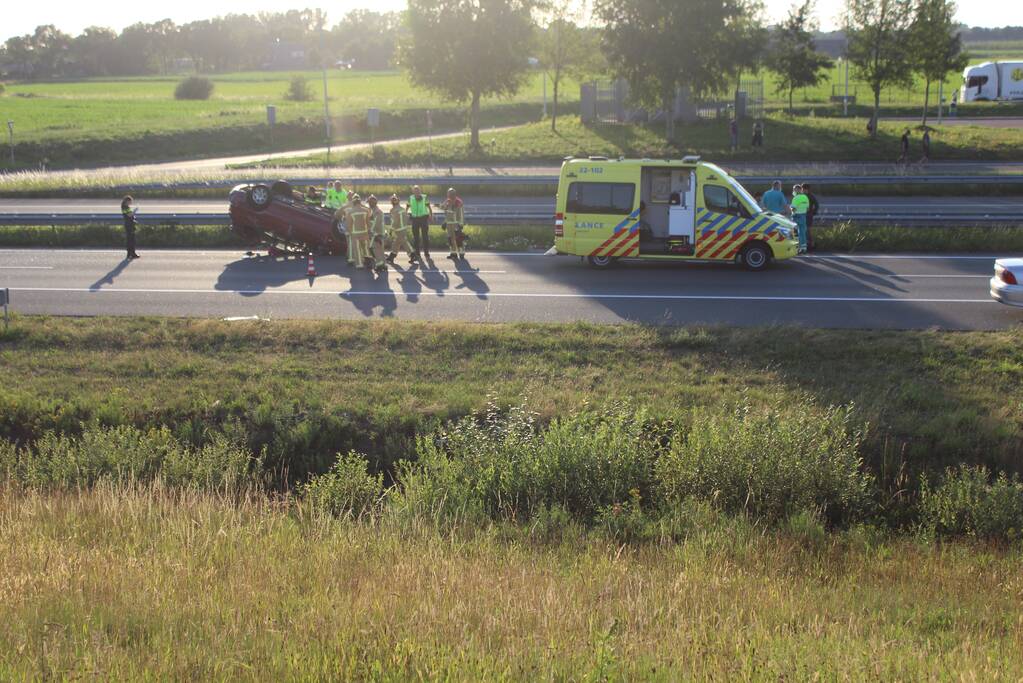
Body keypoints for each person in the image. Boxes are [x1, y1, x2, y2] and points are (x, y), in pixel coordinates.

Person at [387, 194, 417, 265]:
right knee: (396, 243)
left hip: (399, 230)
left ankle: (412, 255)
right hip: (403, 229)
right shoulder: (402, 209)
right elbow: (407, 218)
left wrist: (391, 230)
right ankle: (392, 256)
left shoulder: (393, 210)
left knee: (404, 242)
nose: (393, 201)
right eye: (393, 199)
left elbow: (394, 221)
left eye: (393, 200)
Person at [440, 187, 465, 260]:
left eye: (451, 194)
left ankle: (461, 253)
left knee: (458, 239)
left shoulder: (458, 202)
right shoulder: (447, 201)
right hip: (449, 223)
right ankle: (453, 253)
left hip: (456, 223)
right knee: (450, 239)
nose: (450, 195)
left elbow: (460, 214)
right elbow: (444, 209)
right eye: (449, 194)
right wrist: (445, 222)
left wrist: (461, 224)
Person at [347, 194, 371, 268]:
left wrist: (350, 232)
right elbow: (368, 222)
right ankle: (368, 260)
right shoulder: (366, 210)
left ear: (353, 203)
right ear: (360, 202)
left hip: (355, 233)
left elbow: (350, 224)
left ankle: (359, 264)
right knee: (366, 247)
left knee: (357, 249)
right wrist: (368, 231)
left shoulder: (351, 212)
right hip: (364, 232)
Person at [408, 185, 432, 259]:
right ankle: (417, 253)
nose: (417, 192)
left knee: (425, 236)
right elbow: (407, 206)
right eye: (415, 191)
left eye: (418, 190)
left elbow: (429, 207)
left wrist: (431, 215)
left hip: (423, 218)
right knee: (416, 237)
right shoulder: (411, 198)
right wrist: (406, 214)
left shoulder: (424, 197)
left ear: (420, 191)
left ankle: (426, 252)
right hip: (415, 219)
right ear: (413, 192)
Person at [367, 195, 388, 272]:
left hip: (377, 234)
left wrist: (370, 231)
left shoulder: (377, 212)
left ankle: (379, 265)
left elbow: (376, 223)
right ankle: (384, 265)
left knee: (375, 249)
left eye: (369, 202)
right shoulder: (374, 211)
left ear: (373, 203)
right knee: (380, 250)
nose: (368, 204)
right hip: (379, 233)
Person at [790, 184, 809, 254]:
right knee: (802, 232)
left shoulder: (795, 198)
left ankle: (798, 248)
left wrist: (792, 214)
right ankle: (804, 248)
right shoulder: (805, 197)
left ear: (797, 190)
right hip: (803, 216)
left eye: (794, 189)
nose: (793, 191)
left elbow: (793, 209)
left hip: (796, 216)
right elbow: (807, 208)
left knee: (795, 234)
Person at [802, 183, 820, 252]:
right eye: (802, 189)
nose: (803, 190)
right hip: (801, 215)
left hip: (808, 215)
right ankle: (804, 245)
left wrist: (813, 212)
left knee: (808, 230)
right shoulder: (801, 196)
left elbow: (817, 205)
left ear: (807, 189)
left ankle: (811, 245)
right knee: (802, 230)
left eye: (804, 189)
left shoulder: (811, 196)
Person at [121, 195, 140, 259]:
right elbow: (129, 215)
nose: (131, 203)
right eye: (130, 202)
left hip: (130, 224)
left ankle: (131, 253)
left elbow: (130, 215)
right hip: (129, 225)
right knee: (131, 240)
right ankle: (131, 253)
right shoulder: (124, 207)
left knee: (131, 240)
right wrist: (135, 210)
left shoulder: (126, 207)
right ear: (127, 201)